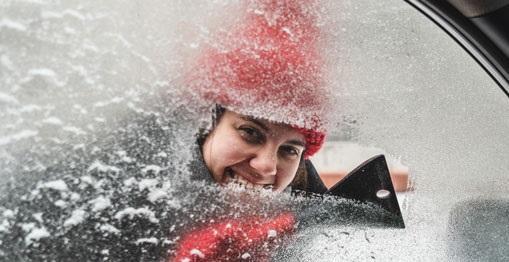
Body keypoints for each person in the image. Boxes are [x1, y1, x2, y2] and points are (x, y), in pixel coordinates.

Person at [171, 1, 335, 260]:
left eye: (289, 150)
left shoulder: (317, 232)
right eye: (250, 132)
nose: (266, 167)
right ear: (205, 125)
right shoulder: (124, 196)